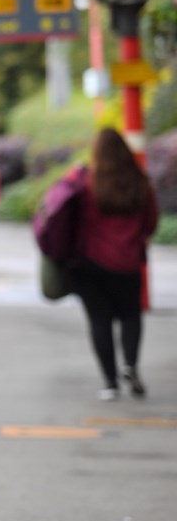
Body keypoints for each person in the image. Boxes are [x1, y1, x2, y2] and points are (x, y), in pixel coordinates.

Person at [68, 128, 158, 401]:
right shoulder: (139, 183)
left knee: (100, 320)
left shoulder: (86, 182)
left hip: (90, 263)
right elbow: (150, 223)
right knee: (131, 316)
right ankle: (130, 364)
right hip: (128, 262)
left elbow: (70, 215)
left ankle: (109, 383)